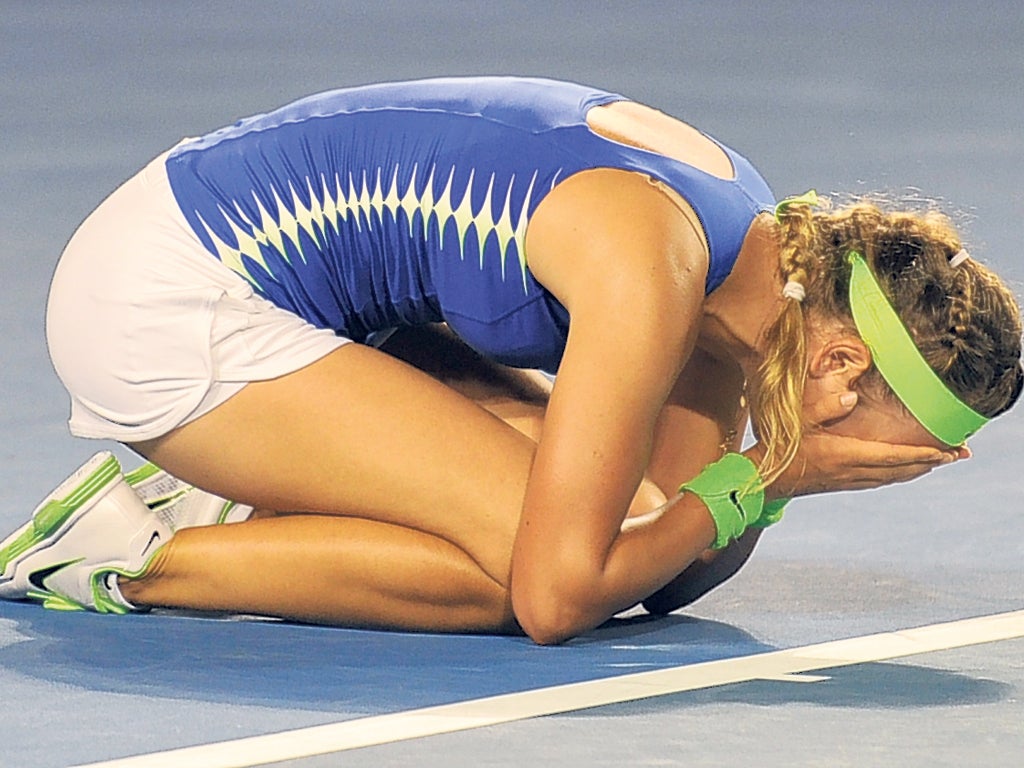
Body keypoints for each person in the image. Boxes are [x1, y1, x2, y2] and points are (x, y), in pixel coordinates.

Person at [0, 77, 1020, 644]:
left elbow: (660, 561)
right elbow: (559, 600)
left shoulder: (751, 268)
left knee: (593, 531)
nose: (872, 473)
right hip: (166, 300)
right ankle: (122, 559)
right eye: (887, 455)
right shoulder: (649, 269)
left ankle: (263, 495)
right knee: (510, 578)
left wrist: (764, 483)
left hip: (275, 287)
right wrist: (766, 472)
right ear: (839, 367)